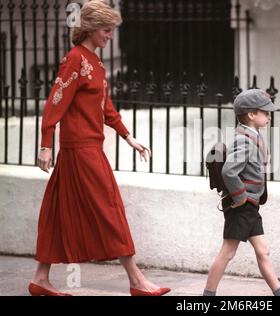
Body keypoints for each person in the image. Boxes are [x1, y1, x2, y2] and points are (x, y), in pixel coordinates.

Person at [29, 0, 170, 296]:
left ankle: (40, 278)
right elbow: (55, 102)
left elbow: (106, 108)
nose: (110, 36)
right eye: (106, 30)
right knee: (110, 208)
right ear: (91, 28)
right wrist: (45, 146)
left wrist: (128, 137)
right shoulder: (75, 60)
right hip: (80, 150)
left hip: (87, 147)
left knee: (57, 211)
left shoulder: (97, 64)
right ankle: (136, 281)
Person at [202, 89, 280, 296]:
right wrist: (241, 196)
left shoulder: (252, 136)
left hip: (250, 206)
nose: (269, 116)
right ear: (251, 115)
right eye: (265, 112)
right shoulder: (245, 139)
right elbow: (229, 171)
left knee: (263, 251)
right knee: (227, 253)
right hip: (242, 206)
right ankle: (207, 298)